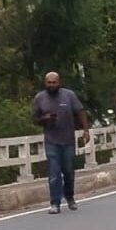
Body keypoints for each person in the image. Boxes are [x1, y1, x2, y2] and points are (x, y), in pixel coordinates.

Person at [31, 72, 90, 215]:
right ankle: (55, 203)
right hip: (51, 140)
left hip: (68, 140)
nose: (51, 85)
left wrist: (86, 130)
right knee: (54, 172)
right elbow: (34, 119)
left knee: (68, 172)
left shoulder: (69, 95)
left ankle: (69, 196)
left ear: (59, 82)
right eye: (49, 82)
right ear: (45, 83)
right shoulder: (40, 98)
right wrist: (44, 118)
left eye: (54, 82)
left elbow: (80, 112)